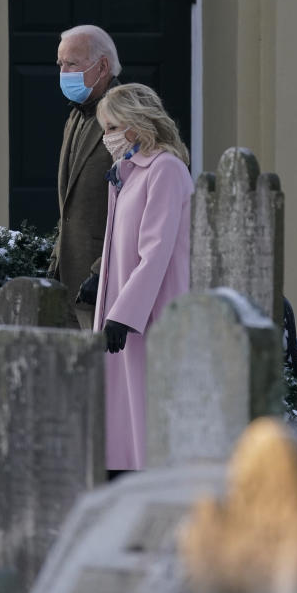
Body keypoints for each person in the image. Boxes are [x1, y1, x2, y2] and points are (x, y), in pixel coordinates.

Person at [89, 83, 194, 472]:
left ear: (137, 123)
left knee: (146, 409)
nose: (107, 137)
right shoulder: (128, 173)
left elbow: (156, 249)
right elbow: (121, 244)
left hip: (151, 312)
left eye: (113, 127)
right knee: (123, 411)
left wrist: (124, 313)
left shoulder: (165, 169)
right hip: (125, 308)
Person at [49, 25, 121, 329]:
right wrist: (55, 259)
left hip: (107, 281)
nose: (64, 72)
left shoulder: (126, 118)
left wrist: (100, 270)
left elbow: (136, 204)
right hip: (69, 277)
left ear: (101, 66)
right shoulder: (77, 115)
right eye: (60, 64)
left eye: (72, 64)